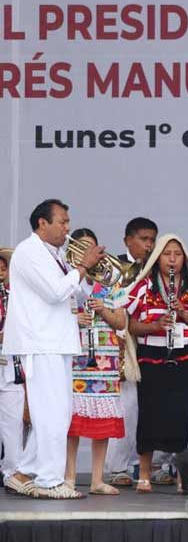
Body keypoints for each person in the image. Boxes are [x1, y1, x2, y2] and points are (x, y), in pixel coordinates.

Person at [3, 199, 104, 499]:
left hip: (57, 341)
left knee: (59, 413)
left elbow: (77, 293)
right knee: (49, 413)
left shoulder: (56, 254)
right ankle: (49, 480)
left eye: (68, 221)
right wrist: (83, 265)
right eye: (62, 221)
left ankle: (23, 472)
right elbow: (55, 292)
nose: (68, 228)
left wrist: (88, 271)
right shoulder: (28, 252)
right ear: (42, 224)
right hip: (41, 341)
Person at [126, 235, 188, 493]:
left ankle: (183, 477)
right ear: (157, 257)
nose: (172, 259)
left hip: (185, 358)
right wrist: (155, 326)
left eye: (178, 254)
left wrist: (183, 312)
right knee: (149, 415)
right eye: (167, 254)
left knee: (184, 417)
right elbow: (130, 324)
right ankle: (145, 475)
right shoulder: (144, 287)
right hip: (152, 357)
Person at [64, 229, 129, 497]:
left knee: (101, 421)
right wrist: (73, 319)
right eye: (81, 247)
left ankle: (97, 479)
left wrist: (103, 309)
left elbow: (122, 322)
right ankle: (68, 477)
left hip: (104, 357)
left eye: (91, 247)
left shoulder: (112, 282)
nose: (87, 252)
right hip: (75, 354)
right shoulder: (68, 280)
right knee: (72, 422)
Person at [106, 217, 157, 488]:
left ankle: (144, 462)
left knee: (148, 405)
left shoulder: (155, 269)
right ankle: (117, 467)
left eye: (152, 240)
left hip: (150, 341)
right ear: (127, 240)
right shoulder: (112, 268)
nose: (148, 245)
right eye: (143, 239)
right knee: (125, 405)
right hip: (121, 338)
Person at [0, 248, 25, 487]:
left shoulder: (17, 296)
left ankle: (12, 473)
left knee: (13, 422)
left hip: (10, 366)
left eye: (3, 267)